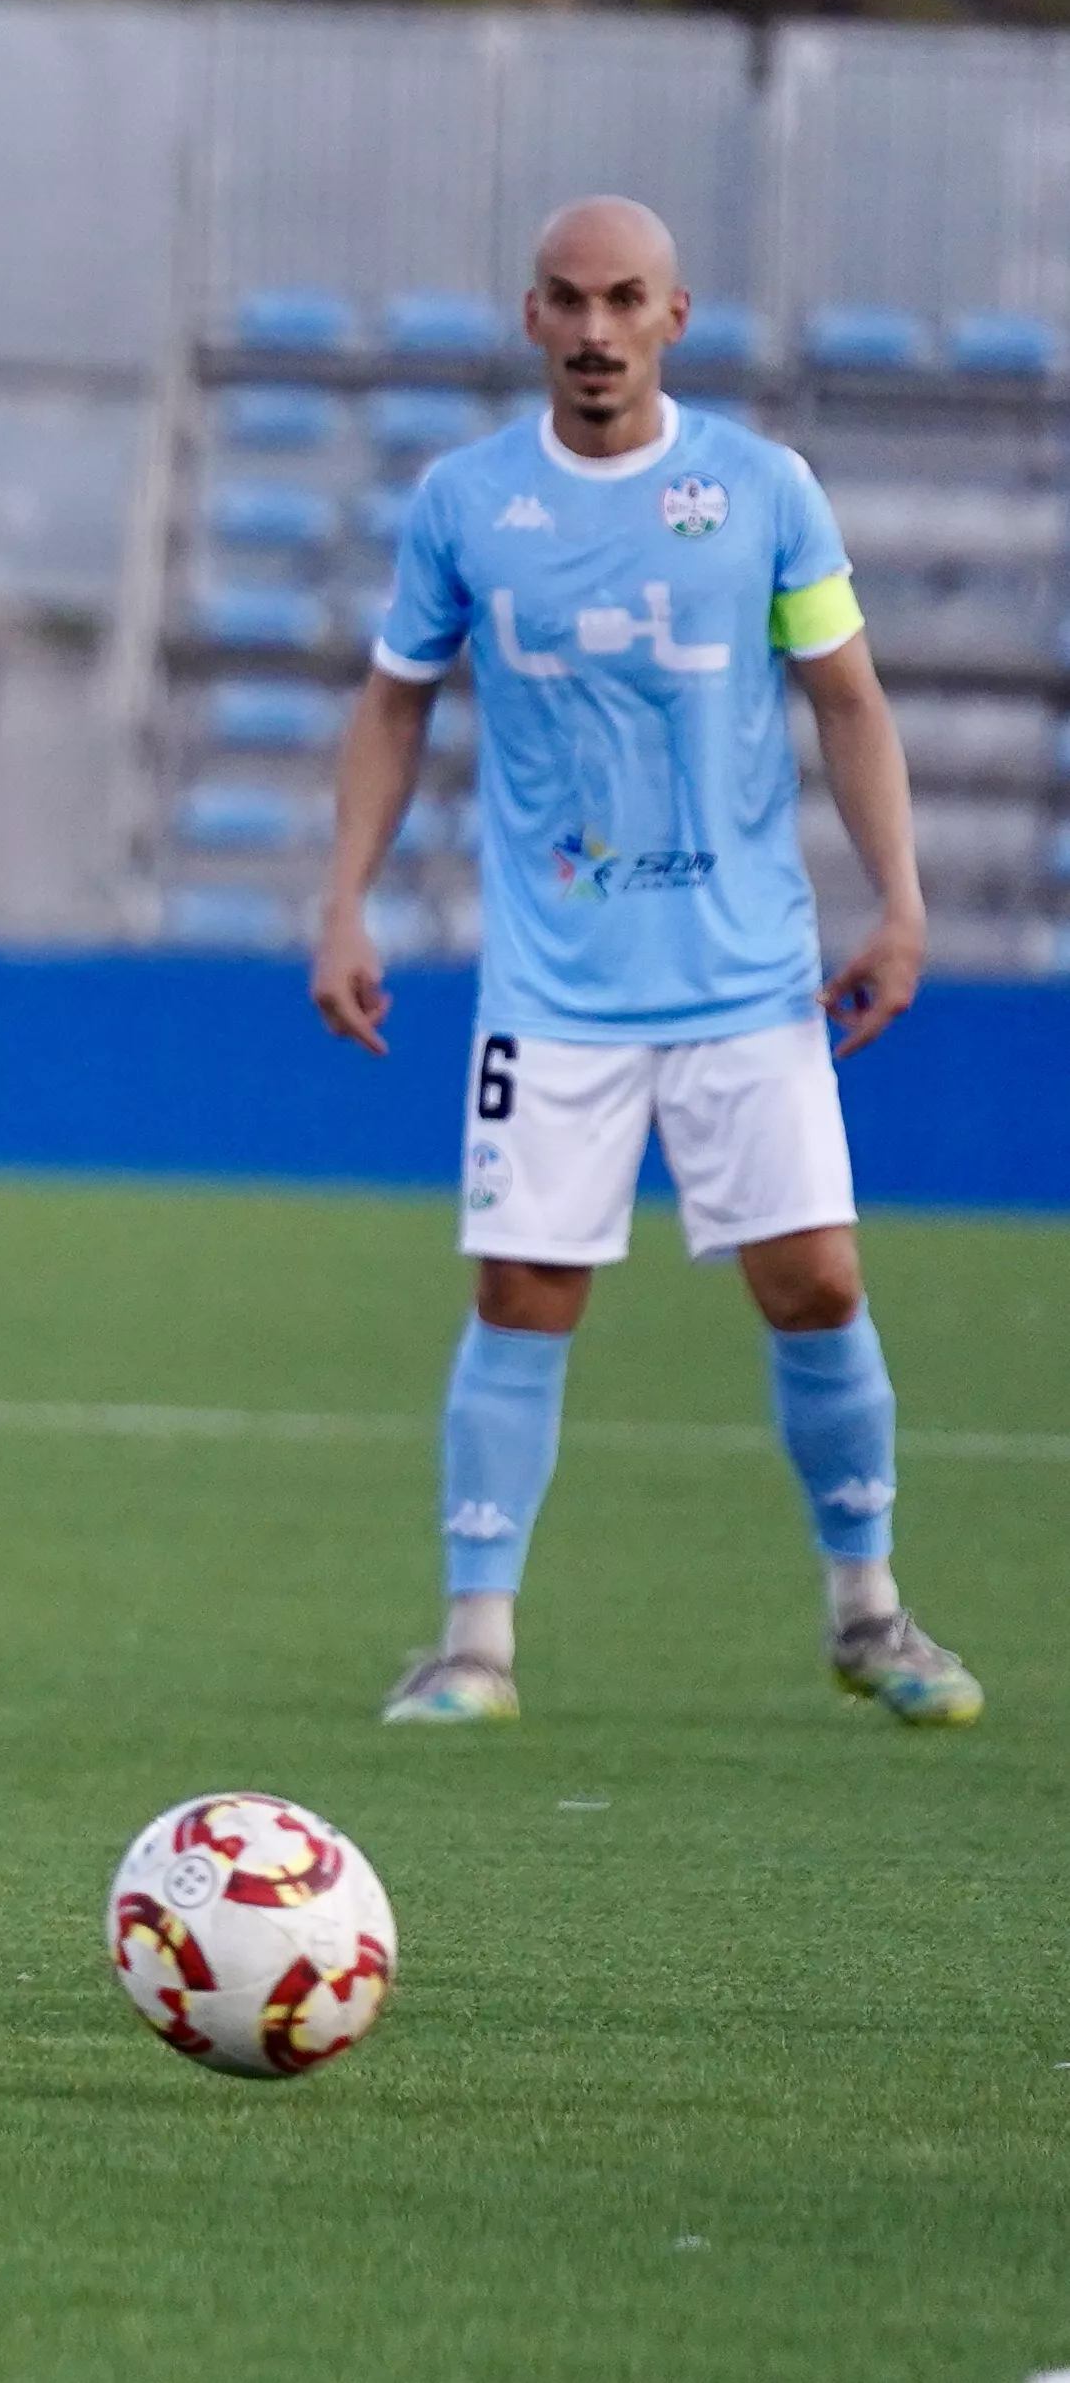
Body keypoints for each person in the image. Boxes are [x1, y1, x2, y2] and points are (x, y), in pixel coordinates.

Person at [311, 194, 977, 1729]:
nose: (597, 330)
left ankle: (869, 1610)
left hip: (748, 972)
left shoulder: (760, 489)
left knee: (816, 1277)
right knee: (524, 1290)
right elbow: (395, 700)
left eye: (626, 300)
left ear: (674, 318)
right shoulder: (466, 503)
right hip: (556, 984)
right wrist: (342, 902)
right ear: (530, 317)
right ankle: (473, 1644)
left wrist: (900, 900)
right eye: (567, 299)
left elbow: (849, 698)